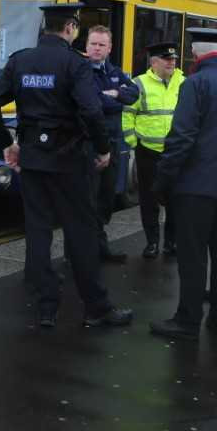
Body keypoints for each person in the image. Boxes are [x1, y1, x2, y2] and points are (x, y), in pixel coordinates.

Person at [0, 3, 133, 329]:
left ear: (45, 27)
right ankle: (96, 307)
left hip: (33, 158)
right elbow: (91, 112)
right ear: (70, 28)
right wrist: (104, 150)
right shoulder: (74, 64)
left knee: (38, 232)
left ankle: (45, 306)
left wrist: (8, 145)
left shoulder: (20, 60)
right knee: (81, 232)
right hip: (70, 160)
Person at [148, 28, 217, 341]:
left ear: (194, 52)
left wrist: (163, 180)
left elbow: (181, 137)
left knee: (192, 256)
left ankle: (187, 320)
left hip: (195, 188)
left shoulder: (194, 84)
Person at [75, 25, 139, 263]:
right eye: (93, 43)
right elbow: (92, 102)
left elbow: (133, 94)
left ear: (110, 48)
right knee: (86, 200)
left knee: (106, 197)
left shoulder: (114, 71)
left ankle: (99, 246)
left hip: (112, 145)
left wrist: (115, 96)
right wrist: (113, 96)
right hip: (88, 145)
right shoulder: (80, 71)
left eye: (102, 44)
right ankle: (81, 253)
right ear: (86, 45)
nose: (97, 48)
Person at [123, 41, 184, 258]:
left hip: (175, 152)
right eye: (167, 60)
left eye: (174, 60)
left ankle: (171, 242)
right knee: (149, 200)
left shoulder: (183, 82)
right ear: (154, 62)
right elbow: (128, 112)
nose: (172, 63)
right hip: (147, 151)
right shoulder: (138, 83)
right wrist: (132, 141)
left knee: (175, 199)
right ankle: (152, 243)